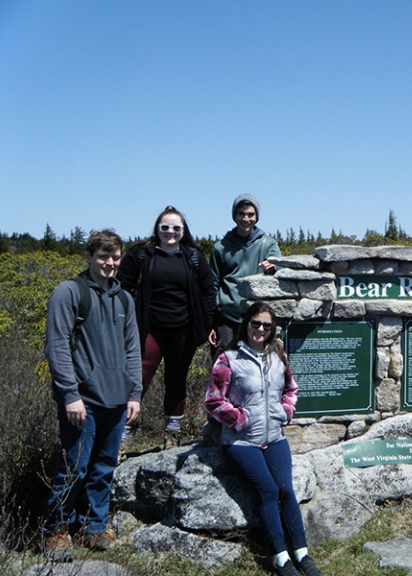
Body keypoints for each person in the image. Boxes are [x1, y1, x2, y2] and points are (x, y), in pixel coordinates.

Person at [43, 230, 142, 560]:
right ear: (88, 256)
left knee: (103, 468)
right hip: (82, 401)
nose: (109, 262)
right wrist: (70, 394)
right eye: (103, 256)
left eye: (115, 257)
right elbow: (57, 347)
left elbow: (132, 349)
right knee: (73, 468)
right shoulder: (69, 293)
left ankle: (94, 527)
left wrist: (135, 394)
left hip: (117, 399)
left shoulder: (124, 298)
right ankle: (56, 531)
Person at [204, 302, 323, 576]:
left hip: (275, 438)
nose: (260, 329)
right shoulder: (228, 358)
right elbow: (213, 401)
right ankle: (281, 558)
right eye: (255, 323)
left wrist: (286, 411)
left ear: (272, 329)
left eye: (266, 325)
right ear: (246, 323)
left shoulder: (277, 354)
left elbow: (291, 389)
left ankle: (302, 554)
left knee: (286, 490)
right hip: (241, 443)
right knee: (268, 491)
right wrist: (239, 420)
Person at [118, 206, 215, 449]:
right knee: (137, 380)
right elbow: (122, 287)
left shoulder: (193, 257)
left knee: (176, 382)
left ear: (183, 231)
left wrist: (207, 324)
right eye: (165, 227)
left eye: (175, 228)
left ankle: (172, 436)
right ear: (157, 229)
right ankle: (119, 438)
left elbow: (208, 292)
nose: (170, 232)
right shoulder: (141, 254)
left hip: (183, 330)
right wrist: (124, 319)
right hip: (148, 329)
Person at [209, 194, 281, 353]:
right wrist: (211, 323)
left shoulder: (268, 244)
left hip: (258, 318)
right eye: (241, 213)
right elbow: (212, 285)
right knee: (224, 367)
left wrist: (272, 268)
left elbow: (282, 273)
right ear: (234, 215)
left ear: (257, 216)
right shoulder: (220, 248)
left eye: (250, 214)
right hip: (226, 317)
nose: (246, 218)